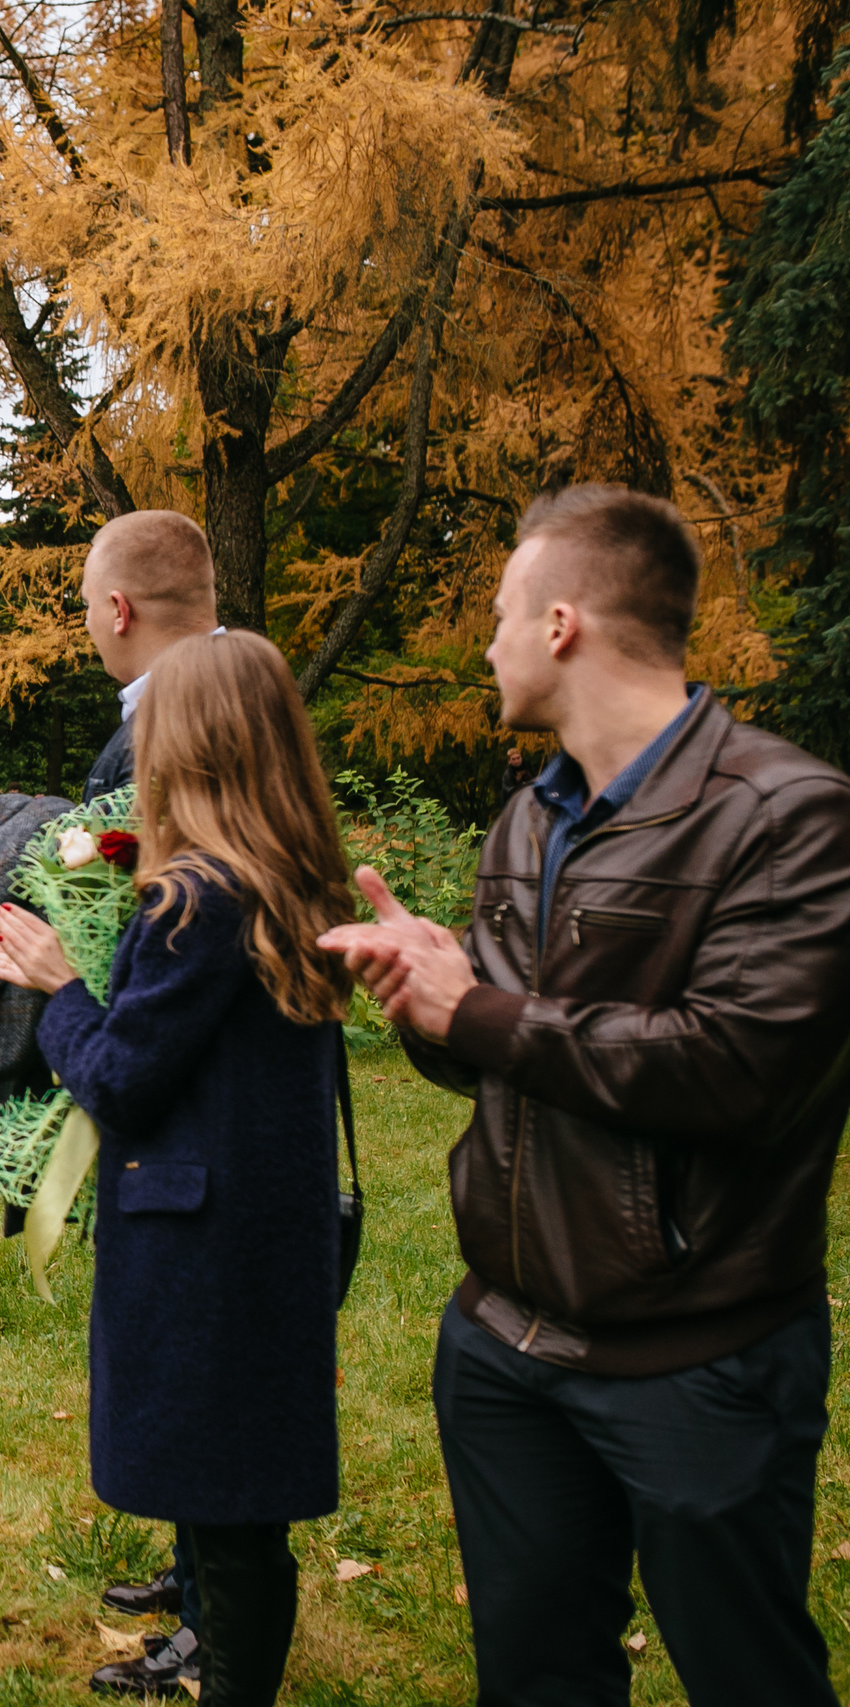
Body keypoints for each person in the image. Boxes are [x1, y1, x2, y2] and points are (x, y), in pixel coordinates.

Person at [321, 486, 850, 1706]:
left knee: (747, 1673)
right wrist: (425, 1000)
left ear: (561, 623)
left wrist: (483, 1012)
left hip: (696, 1359)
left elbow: (735, 1070)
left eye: (502, 615)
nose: (488, 644)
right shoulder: (526, 818)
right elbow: (500, 1055)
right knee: (535, 1677)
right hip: (503, 1350)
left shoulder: (786, 816)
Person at [0, 631, 351, 1707]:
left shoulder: (199, 903)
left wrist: (58, 986)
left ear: (188, 744)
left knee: (225, 1507)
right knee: (232, 1488)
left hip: (198, 1243)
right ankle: (210, 1662)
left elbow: (121, 1078)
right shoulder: (290, 881)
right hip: (263, 1229)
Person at [0, 511, 224, 1692]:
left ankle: (217, 1626)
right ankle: (200, 1571)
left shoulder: (193, 720)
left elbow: (157, 890)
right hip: (154, 1078)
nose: (88, 624)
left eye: (87, 604)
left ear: (116, 609)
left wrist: (63, 977)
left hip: (176, 1088)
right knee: (180, 1358)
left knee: (200, 1361)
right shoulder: (189, 707)